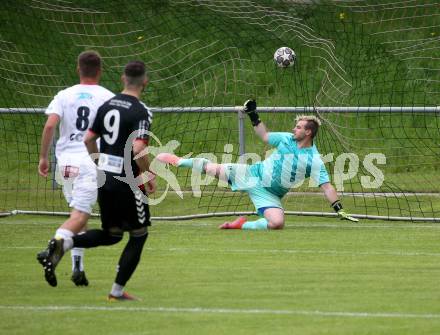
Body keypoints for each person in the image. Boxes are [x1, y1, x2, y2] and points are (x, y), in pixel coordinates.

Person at [40, 60, 155, 301]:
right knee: (139, 233)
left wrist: (99, 162)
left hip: (104, 178)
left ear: (123, 78)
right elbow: (137, 148)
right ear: (145, 81)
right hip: (128, 181)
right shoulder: (140, 110)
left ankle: (64, 243)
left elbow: (88, 139)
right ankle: (116, 292)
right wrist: (148, 175)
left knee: (112, 234)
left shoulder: (106, 106)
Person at [157, 99, 358, 230]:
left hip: (269, 194)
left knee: (277, 223)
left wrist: (338, 208)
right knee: (211, 168)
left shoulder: (313, 160)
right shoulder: (286, 139)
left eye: (298, 127)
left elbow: (327, 186)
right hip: (253, 174)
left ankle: (239, 226)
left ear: (308, 133)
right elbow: (264, 135)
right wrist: (253, 114)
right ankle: (179, 161)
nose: (293, 129)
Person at [37, 50, 114, 286]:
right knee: (80, 216)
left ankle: (78, 269)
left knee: (78, 215)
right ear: (100, 71)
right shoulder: (107, 97)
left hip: (66, 164)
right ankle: (53, 246)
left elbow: (50, 125)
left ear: (78, 69)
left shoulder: (64, 95)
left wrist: (43, 158)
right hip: (90, 162)